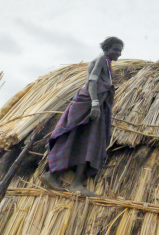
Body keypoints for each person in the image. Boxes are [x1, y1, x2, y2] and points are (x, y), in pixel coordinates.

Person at [41, 37, 123, 197]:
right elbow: (91, 83)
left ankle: (76, 183)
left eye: (120, 50)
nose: (118, 53)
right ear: (106, 48)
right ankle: (53, 175)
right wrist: (94, 103)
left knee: (88, 140)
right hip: (89, 103)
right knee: (75, 135)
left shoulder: (107, 63)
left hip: (98, 103)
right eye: (116, 49)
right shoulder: (101, 60)